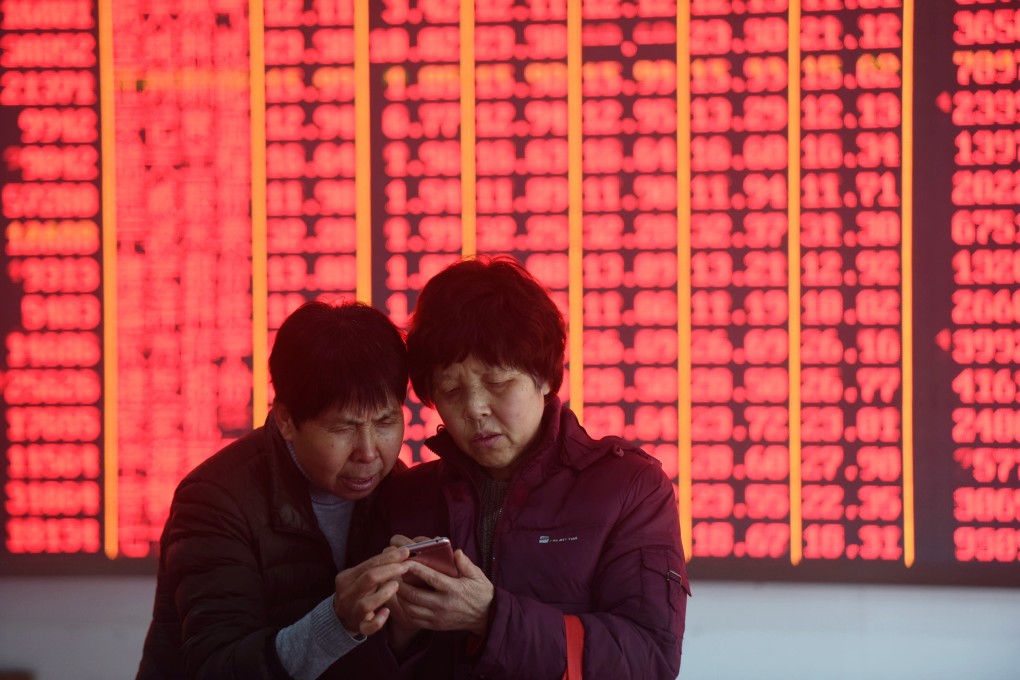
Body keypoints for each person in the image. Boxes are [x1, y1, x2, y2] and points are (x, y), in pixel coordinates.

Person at [378, 256, 690, 678]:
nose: (475, 408)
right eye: (450, 390)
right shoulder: (405, 497)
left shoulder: (630, 488)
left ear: (544, 378)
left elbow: (649, 660)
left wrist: (492, 617)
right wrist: (395, 628)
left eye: (497, 383)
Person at [136, 300, 413, 680]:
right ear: (285, 419)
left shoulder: (399, 487)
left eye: (385, 422)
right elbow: (215, 667)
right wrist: (336, 622)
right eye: (343, 428)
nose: (368, 452)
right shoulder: (214, 501)